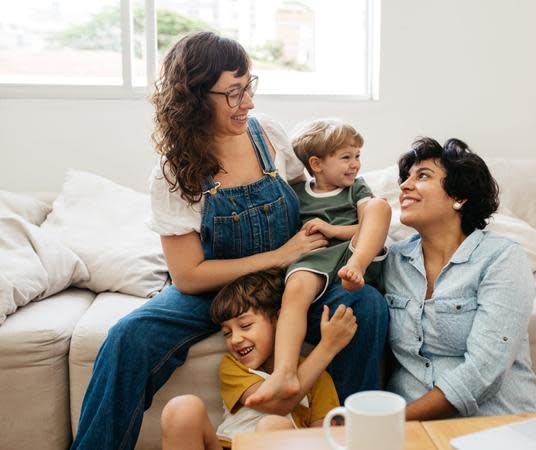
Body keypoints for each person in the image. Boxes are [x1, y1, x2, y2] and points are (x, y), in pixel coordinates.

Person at [70, 31, 388, 450]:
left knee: (365, 306)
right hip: (216, 288)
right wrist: (276, 254)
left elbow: (309, 199)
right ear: (196, 97)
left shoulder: (268, 135)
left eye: (249, 87)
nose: (249, 103)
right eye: (234, 93)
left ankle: (356, 441)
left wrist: (339, 235)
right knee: (128, 337)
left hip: (293, 277)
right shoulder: (174, 174)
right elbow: (187, 276)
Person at [383, 137, 536, 420]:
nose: (405, 186)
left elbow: (484, 371)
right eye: (406, 177)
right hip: (413, 432)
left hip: (494, 423)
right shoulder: (393, 260)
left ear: (459, 197)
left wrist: (390, 421)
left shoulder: (503, 258)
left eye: (422, 176)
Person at [247, 119, 391, 406]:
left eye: (358, 156)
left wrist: (333, 230)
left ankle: (358, 268)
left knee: (380, 206)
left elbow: (369, 225)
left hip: (353, 252)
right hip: (315, 257)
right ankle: (285, 372)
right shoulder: (298, 195)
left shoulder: (356, 190)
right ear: (316, 164)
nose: (355, 165)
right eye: (346, 157)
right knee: (296, 289)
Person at [160, 269, 355, 449]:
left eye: (245, 325)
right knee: (182, 409)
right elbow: (275, 403)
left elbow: (322, 439)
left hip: (283, 443)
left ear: (278, 320)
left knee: (273, 425)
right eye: (227, 333)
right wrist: (327, 348)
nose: (235, 339)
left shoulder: (319, 379)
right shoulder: (234, 367)